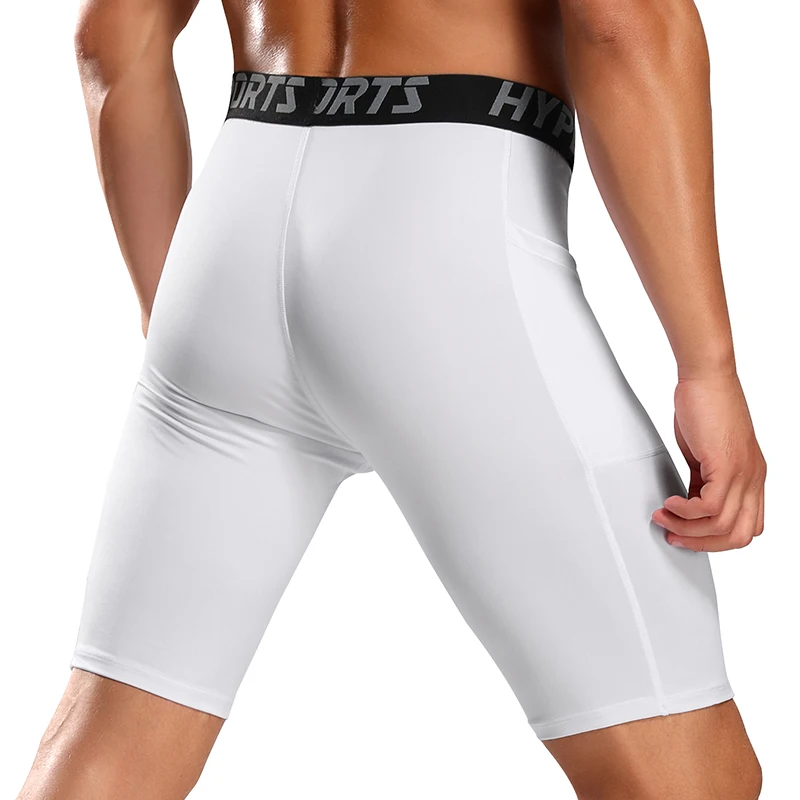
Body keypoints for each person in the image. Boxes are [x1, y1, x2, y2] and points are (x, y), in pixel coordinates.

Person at [16, 0, 767, 797]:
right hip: (446, 219)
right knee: (692, 777)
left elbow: (111, 39)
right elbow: (623, 25)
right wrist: (708, 367)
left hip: (236, 213)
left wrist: (175, 315)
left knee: (117, 738)